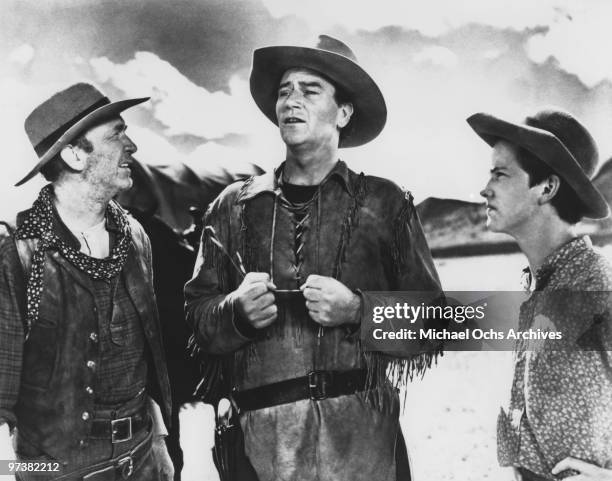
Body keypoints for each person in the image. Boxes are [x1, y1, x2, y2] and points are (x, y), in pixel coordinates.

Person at [185, 35, 442, 481]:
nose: (291, 100)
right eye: (284, 90)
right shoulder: (231, 206)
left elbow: (436, 321)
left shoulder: (385, 203)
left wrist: (358, 310)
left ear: (343, 113)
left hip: (361, 443)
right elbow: (194, 318)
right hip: (263, 444)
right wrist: (235, 313)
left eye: (310, 90)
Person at [0, 83, 173, 480]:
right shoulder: (16, 249)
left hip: (142, 459)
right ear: (75, 155)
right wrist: (24, 474)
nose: (132, 147)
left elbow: (145, 357)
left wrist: (159, 444)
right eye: (117, 134)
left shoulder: (135, 237)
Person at [467, 108, 612, 481]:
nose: (485, 188)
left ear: (546, 188)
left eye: (500, 173)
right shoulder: (536, 286)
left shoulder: (598, 282)